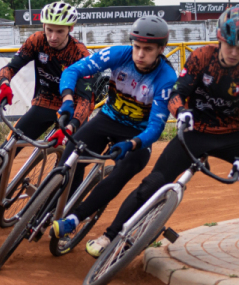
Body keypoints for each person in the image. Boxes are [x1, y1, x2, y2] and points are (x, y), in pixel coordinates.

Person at [88, 8, 239, 262]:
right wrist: (181, 112)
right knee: (154, 183)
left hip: (232, 136)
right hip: (194, 132)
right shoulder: (201, 56)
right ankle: (109, 236)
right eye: (229, 44)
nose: (233, 52)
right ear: (220, 38)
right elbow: (177, 93)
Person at [51, 16, 177, 251]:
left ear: (161, 50)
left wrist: (131, 144)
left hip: (138, 135)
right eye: (137, 47)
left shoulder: (167, 79)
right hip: (107, 119)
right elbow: (73, 70)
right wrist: (68, 99)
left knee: (120, 174)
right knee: (71, 157)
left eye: (148, 50)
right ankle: (58, 204)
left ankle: (74, 220)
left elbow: (156, 128)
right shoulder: (119, 54)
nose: (139, 54)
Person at [0, 1, 92, 152]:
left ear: (70, 28)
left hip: (72, 106)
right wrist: (4, 84)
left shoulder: (80, 54)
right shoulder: (37, 40)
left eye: (60, 31)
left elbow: (85, 101)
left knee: (73, 155)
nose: (53, 37)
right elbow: (9, 68)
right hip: (45, 101)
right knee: (11, 144)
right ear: (43, 26)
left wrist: (70, 127)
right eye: (49, 30)